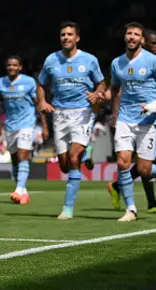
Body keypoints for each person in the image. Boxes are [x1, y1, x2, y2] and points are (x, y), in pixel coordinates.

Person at [99, 22, 156, 221]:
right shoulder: (117, 63)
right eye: (129, 33)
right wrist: (101, 96)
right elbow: (114, 89)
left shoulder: (153, 61)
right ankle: (131, 209)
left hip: (148, 120)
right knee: (123, 163)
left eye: (136, 34)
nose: (132, 37)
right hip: (125, 118)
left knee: (143, 170)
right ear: (125, 37)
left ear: (142, 40)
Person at [37, 22, 105, 220]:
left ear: (77, 38)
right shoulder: (51, 60)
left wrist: (97, 94)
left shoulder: (89, 60)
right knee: (65, 166)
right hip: (59, 114)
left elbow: (101, 83)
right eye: (63, 35)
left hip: (82, 112)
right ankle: (87, 154)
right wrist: (42, 100)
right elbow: (41, 84)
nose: (66, 37)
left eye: (69, 34)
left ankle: (68, 208)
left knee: (73, 158)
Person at [0, 55, 48, 204]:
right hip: (10, 126)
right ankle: (23, 192)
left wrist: (44, 126)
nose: (12, 68)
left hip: (27, 124)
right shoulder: (0, 83)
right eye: (9, 65)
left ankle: (18, 190)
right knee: (15, 160)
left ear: (20, 67)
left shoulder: (29, 82)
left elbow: (39, 104)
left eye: (14, 65)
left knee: (23, 154)